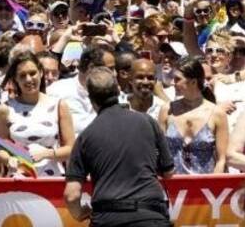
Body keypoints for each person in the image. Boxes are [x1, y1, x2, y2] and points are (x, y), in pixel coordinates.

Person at [64, 67, 174, 227]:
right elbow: (168, 172)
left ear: (91, 98)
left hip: (107, 218)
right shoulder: (148, 122)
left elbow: (72, 195)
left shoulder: (85, 137)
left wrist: (80, 213)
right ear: (118, 89)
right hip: (150, 216)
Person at [0, 50, 74, 177]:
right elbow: (2, 149)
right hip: (19, 179)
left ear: (41, 73)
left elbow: (71, 149)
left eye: (32, 73)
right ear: (15, 79)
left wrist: (46, 154)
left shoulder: (59, 105)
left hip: (51, 179)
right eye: (22, 75)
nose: (28, 79)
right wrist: (9, 159)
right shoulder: (5, 109)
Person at [158, 56, 228, 174]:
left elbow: (221, 159)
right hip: (173, 185)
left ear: (193, 82)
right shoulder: (167, 110)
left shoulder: (217, 114)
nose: (173, 83)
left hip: (206, 186)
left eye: (177, 79)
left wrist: (213, 187)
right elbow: (160, 152)